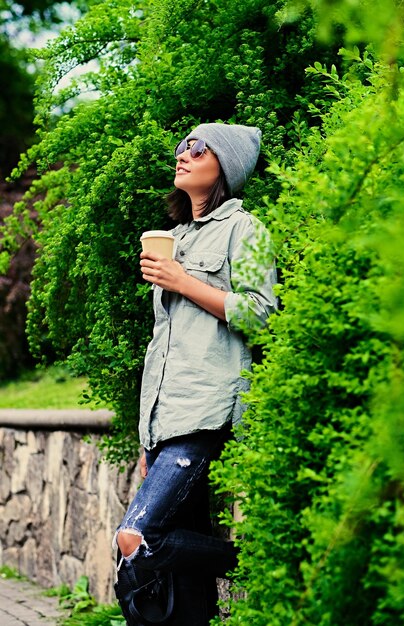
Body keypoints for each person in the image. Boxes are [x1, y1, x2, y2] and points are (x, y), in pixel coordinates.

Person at [114, 123, 277, 625]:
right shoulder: (175, 238)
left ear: (223, 166)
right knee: (181, 583)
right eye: (182, 146)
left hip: (207, 409)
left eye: (198, 147)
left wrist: (183, 282)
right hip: (167, 417)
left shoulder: (245, 229)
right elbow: (163, 345)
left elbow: (262, 314)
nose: (183, 154)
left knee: (136, 541)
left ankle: (257, 565)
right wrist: (148, 435)